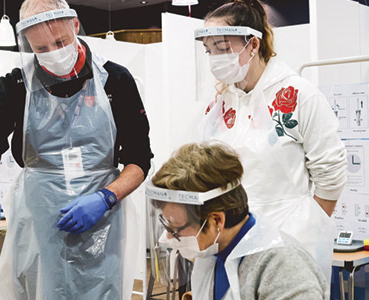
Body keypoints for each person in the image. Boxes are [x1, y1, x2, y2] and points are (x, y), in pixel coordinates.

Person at [0, 0, 152, 298]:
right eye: (40, 48)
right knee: (39, 289)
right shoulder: (15, 85)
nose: (52, 53)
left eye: (60, 42)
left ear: (75, 25)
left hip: (102, 218)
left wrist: (105, 198)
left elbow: (139, 159)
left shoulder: (115, 80)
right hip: (38, 218)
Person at [196, 0, 346, 280]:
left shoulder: (299, 95)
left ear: (253, 45)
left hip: (287, 241)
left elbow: (331, 173)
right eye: (209, 50)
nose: (214, 59)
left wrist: (308, 226)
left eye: (223, 49)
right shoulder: (218, 103)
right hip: (228, 241)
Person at [147, 142, 329, 300]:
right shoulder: (213, 255)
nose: (167, 238)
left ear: (217, 220)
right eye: (166, 225)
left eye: (176, 228)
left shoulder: (285, 269)